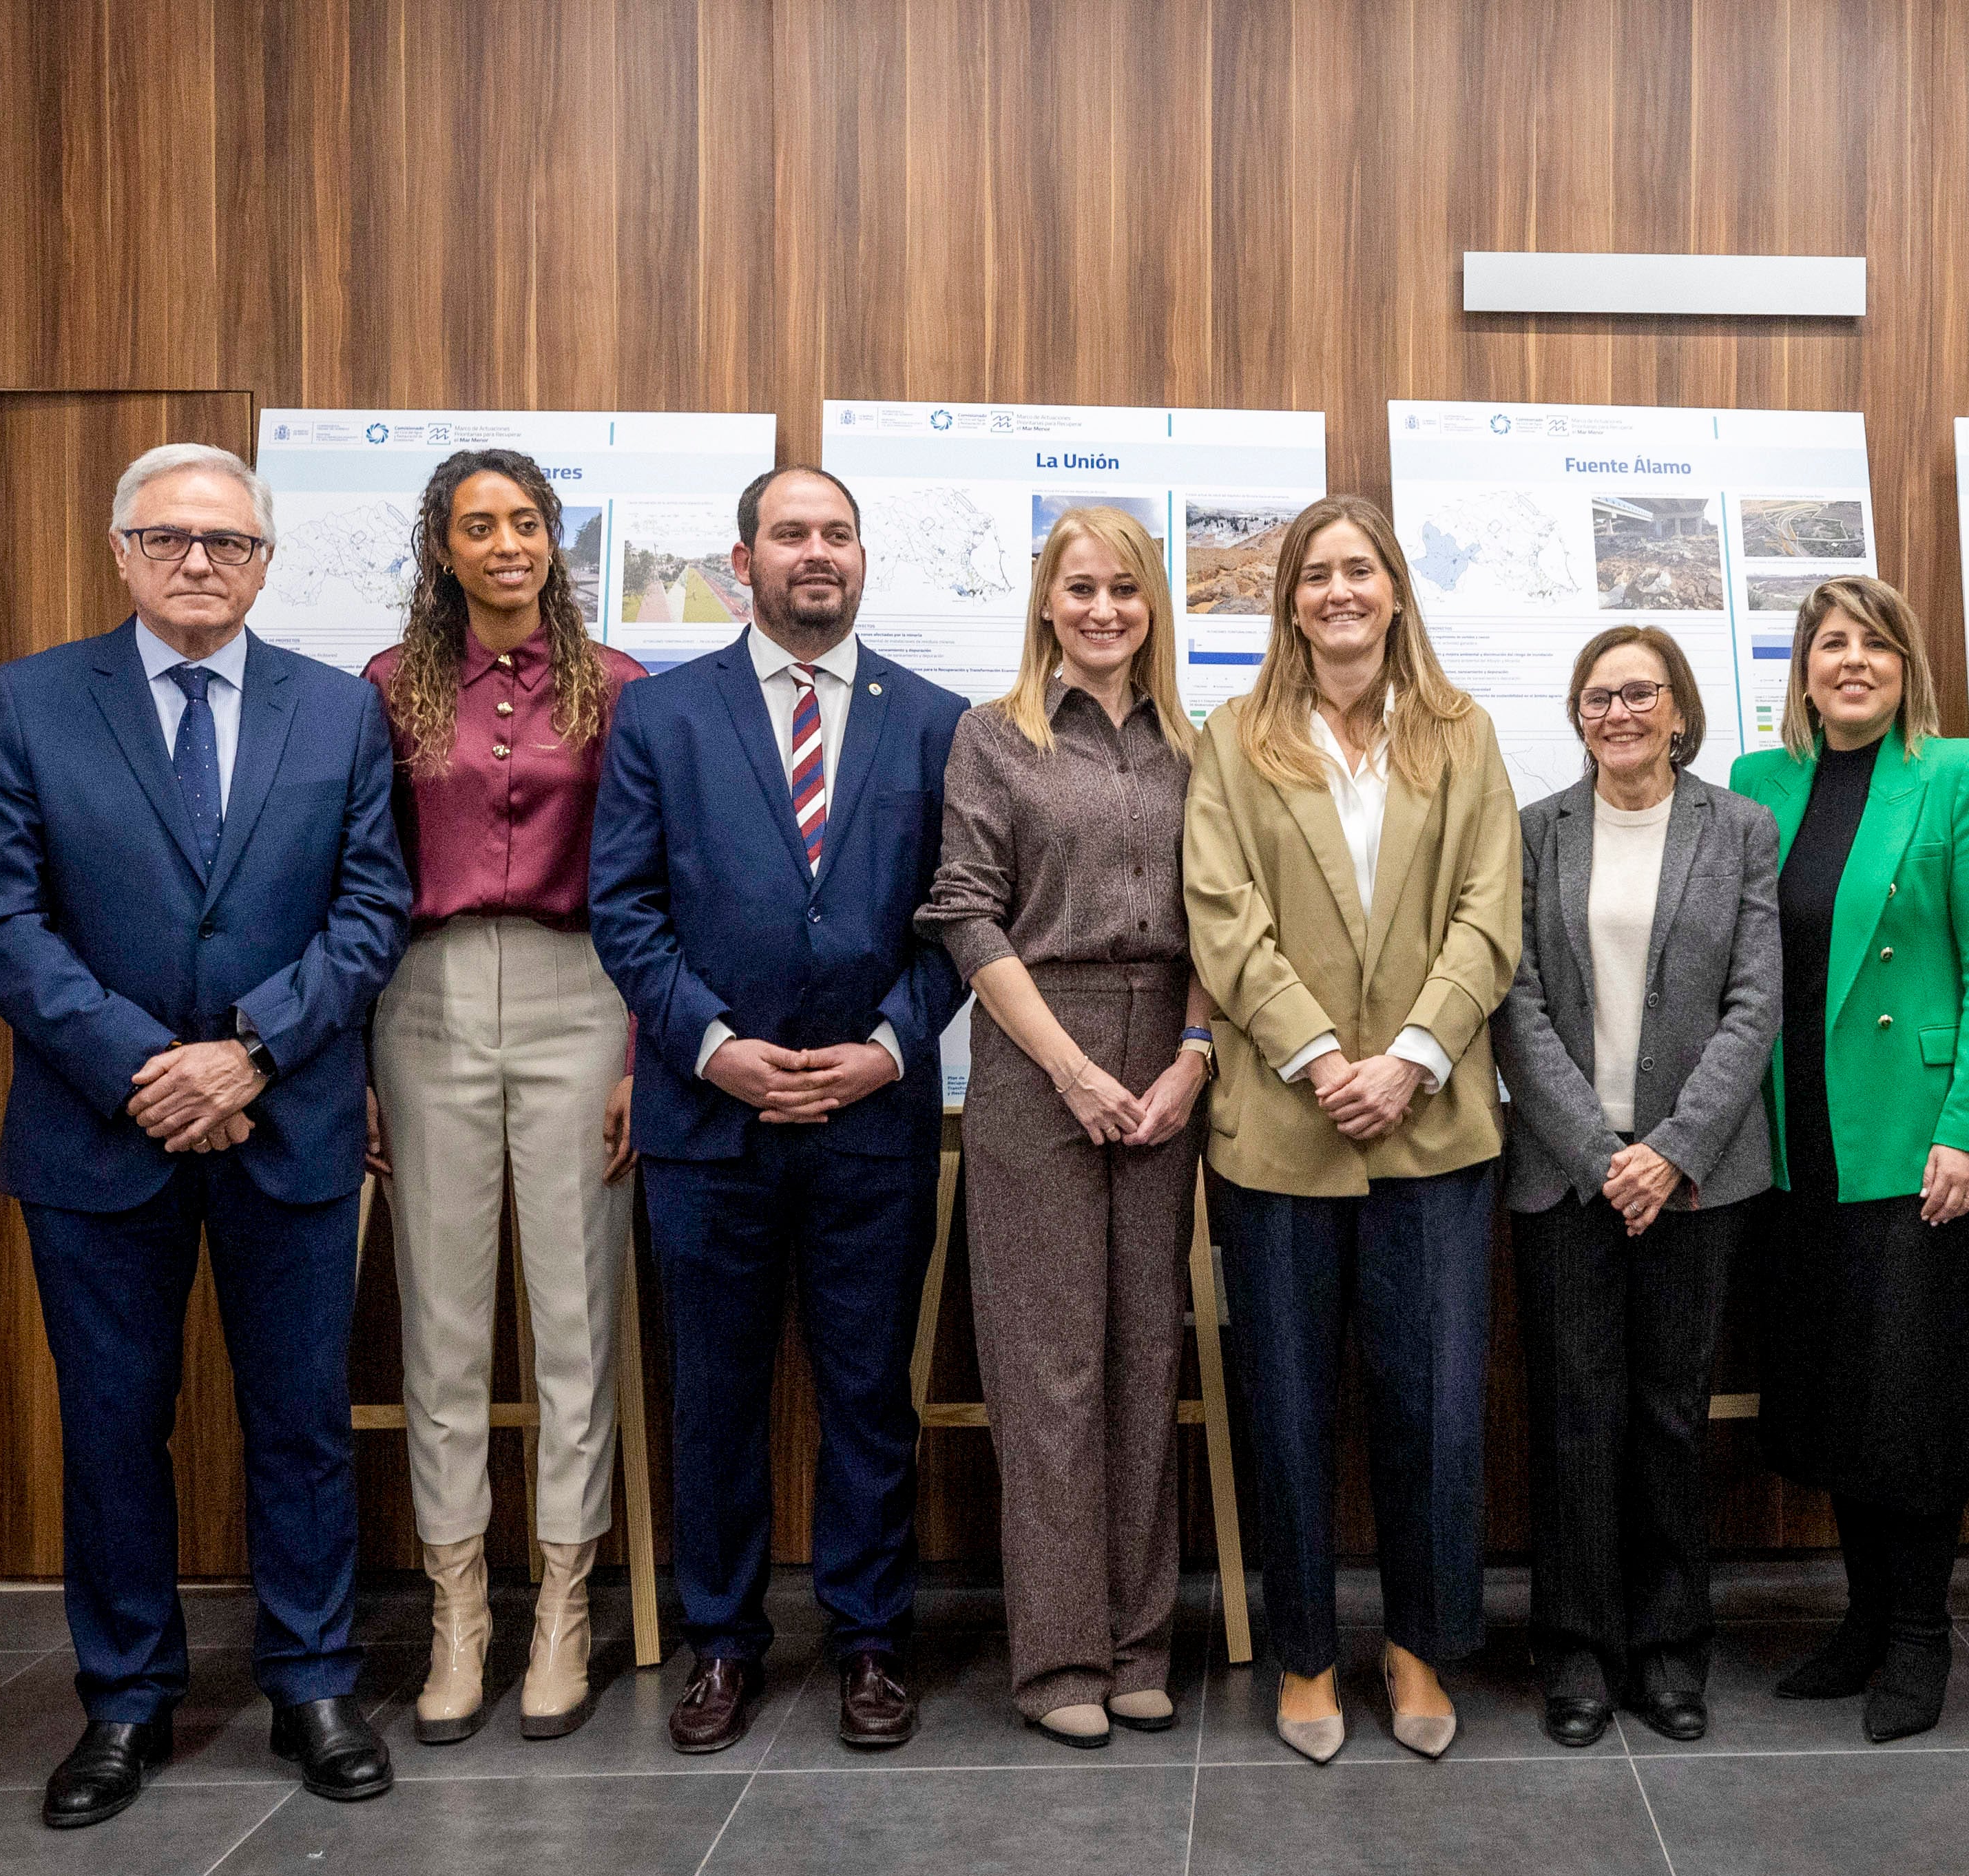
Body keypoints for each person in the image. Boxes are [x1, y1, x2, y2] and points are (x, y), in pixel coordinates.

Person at [0, 443, 413, 1826]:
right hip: (102, 1131)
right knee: (111, 1426)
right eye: (168, 538)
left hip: (287, 1118)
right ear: (121, 553)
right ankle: (127, 1701)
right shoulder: (33, 701)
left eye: (225, 540)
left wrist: (252, 1050)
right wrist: (148, 1063)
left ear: (264, 560)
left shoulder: (337, 712)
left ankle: (314, 1680)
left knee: (301, 1422)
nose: (198, 561)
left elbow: (371, 910)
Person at [589, 465, 970, 1756]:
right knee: (718, 1395)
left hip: (873, 1117)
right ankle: (723, 1646)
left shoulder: (936, 723)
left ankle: (869, 1641)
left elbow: (958, 922)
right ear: (740, 560)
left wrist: (888, 1046)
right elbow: (623, 910)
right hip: (712, 1126)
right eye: (791, 534)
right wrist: (710, 1047)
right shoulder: (661, 719)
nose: (818, 554)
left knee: (869, 1394)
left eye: (839, 534)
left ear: (865, 559)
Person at [1185, 494, 1519, 1764]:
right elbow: (1220, 913)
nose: (1339, 591)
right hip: (1282, 1127)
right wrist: (1326, 1060)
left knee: (1434, 1405)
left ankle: (1422, 1645)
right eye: (1316, 574)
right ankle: (1308, 1658)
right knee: (1286, 1404)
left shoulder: (1463, 734)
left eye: (1360, 570)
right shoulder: (1236, 739)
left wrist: (1417, 1058)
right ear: (1290, 602)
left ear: (1394, 591)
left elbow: (1491, 911)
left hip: (1432, 1130)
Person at [364, 450, 647, 1745]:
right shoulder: (386, 689)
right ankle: (460, 1613)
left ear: (555, 540)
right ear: (443, 548)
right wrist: (359, 1060)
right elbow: (355, 877)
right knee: (443, 1320)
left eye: (526, 522)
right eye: (477, 526)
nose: (506, 544)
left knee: (578, 1312)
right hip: (422, 1000)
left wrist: (645, 1053)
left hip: (580, 993)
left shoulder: (619, 690)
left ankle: (567, 1605)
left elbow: (651, 884)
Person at [917, 507, 1211, 1751]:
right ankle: (1058, 1660)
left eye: (1126, 591)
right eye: (1081, 588)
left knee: (1147, 1356)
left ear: (1154, 607)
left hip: (1174, 1056)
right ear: (1045, 600)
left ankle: (1141, 1642)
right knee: (1050, 1372)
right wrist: (1075, 1070)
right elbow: (967, 918)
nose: (1103, 610)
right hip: (1041, 1049)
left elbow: (1225, 918)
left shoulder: (1201, 749)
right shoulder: (994, 739)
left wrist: (1196, 1052)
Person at [1727, 576, 1969, 1744]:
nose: (1849, 661)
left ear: (1908, 663)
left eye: (1873, 644)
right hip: (1798, 1136)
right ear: (1802, 669)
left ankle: (1917, 1635)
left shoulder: (1963, 774)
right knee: (1838, 1393)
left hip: (1923, 1138)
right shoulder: (1762, 784)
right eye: (1828, 644)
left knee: (1911, 1394)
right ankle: (1862, 1622)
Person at [1491, 625, 1783, 1747]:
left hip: (1698, 1177)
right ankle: (1573, 1651)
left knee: (1669, 1414)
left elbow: (1755, 1004)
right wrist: (1599, 1152)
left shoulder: (1740, 829)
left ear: (1678, 709)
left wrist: (1671, 1150)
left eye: (1640, 695)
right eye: (1598, 697)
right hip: (1569, 1175)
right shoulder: (1535, 832)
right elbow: (1514, 1003)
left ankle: (1669, 1651)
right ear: (1578, 715)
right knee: (1575, 1417)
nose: (1619, 714)